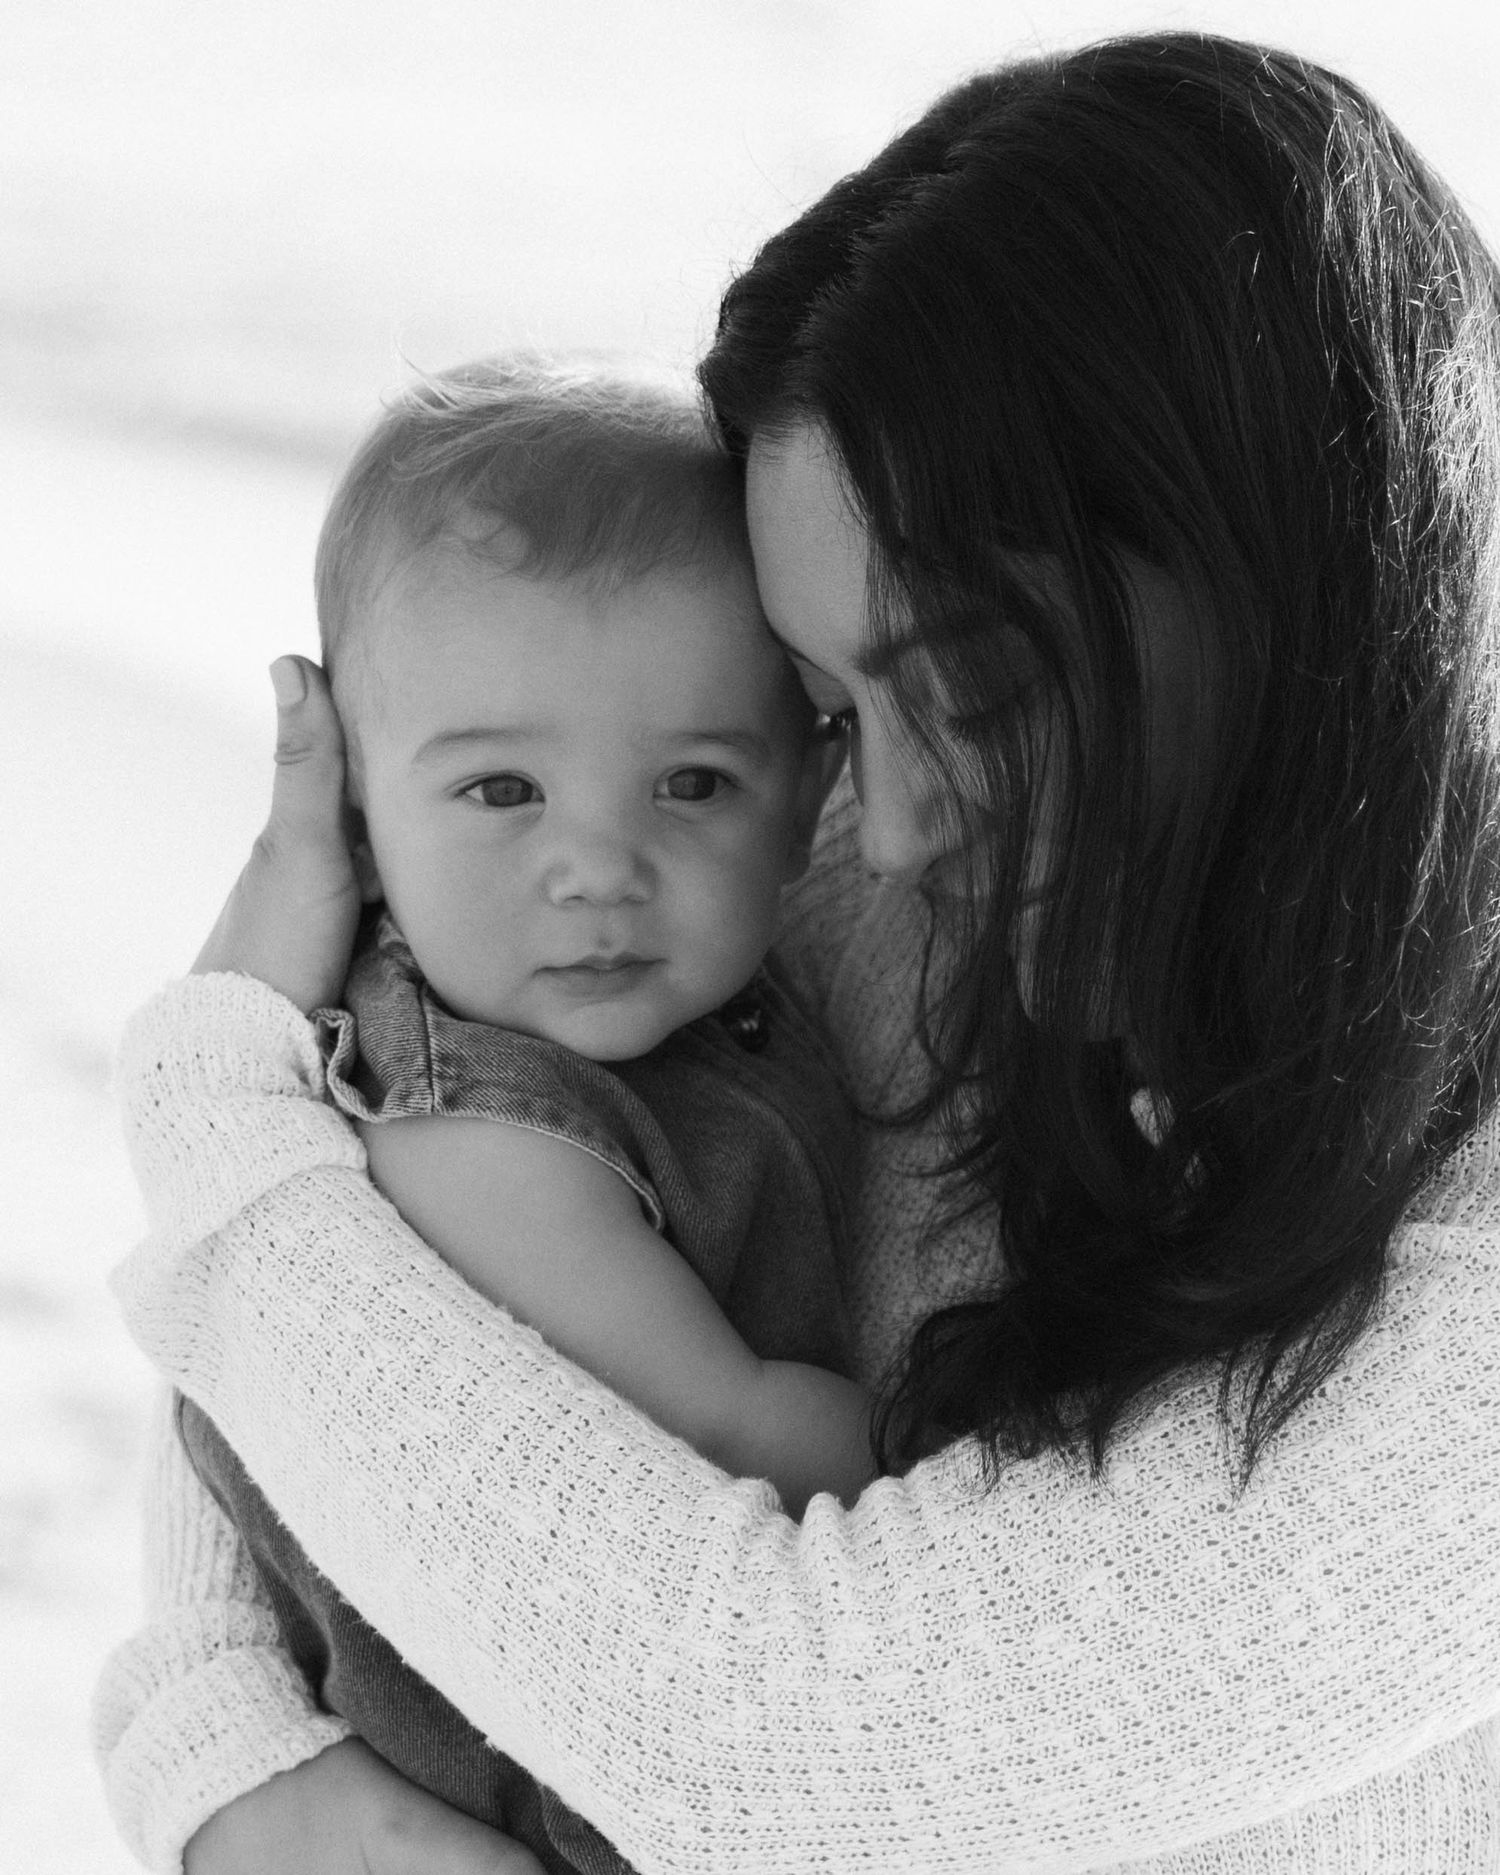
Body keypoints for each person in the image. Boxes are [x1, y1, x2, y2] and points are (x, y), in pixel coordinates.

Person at [98, 31, 1500, 1874]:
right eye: (830, 709)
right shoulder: (849, 874)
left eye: (979, 693)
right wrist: (216, 1749)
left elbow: (786, 1748)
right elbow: (366, 1287)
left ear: (1278, 607)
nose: (896, 826)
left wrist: (216, 1113)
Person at [169, 355, 872, 1875]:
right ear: (355, 808)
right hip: (529, 1790)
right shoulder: (465, 1127)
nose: (600, 867)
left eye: (692, 783)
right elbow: (728, 1420)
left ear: (812, 797)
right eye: (502, 793)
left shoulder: (741, 999)